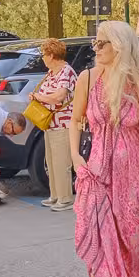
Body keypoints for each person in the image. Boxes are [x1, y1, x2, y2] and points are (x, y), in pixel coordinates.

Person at [66, 21, 139, 277]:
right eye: (96, 42)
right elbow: (75, 120)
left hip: (130, 177)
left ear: (119, 46)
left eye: (102, 43)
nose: (96, 49)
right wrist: (76, 157)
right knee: (99, 242)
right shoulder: (87, 78)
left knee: (126, 245)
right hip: (95, 174)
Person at [33, 39, 79, 211]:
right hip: (50, 123)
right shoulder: (52, 72)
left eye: (44, 55)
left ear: (52, 55)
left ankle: (65, 199)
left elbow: (59, 97)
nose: (42, 58)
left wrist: (38, 97)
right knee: (51, 162)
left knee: (62, 162)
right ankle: (55, 195)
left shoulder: (66, 72)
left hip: (63, 123)